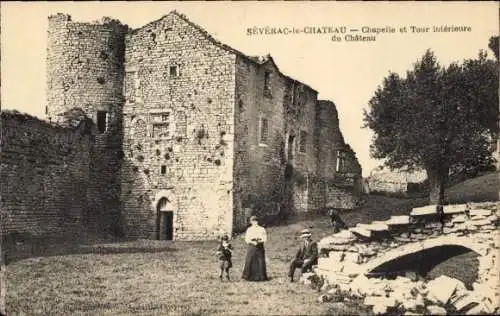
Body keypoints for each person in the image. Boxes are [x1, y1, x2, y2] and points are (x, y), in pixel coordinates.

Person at [242, 215, 269, 281]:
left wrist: (260, 241)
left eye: (256, 221)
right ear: (251, 222)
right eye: (253, 221)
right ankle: (248, 276)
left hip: (259, 246)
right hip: (252, 246)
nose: (255, 223)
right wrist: (252, 242)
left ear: (258, 221)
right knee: (250, 260)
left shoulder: (262, 229)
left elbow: (264, 238)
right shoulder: (249, 229)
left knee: (260, 261)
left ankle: (261, 277)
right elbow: (247, 238)